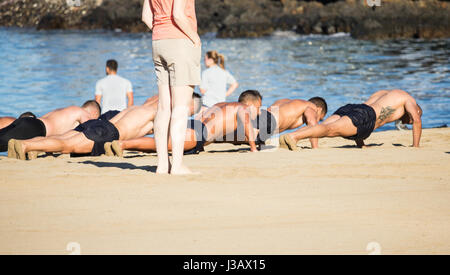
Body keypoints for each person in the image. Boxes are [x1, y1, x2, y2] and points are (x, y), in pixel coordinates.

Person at [9, 94, 202, 160]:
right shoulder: (159, 114)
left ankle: (25, 143)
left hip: (100, 123)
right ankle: (27, 146)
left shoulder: (143, 106)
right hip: (107, 133)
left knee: (66, 138)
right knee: (66, 145)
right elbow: (167, 137)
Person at [105, 90, 262, 156]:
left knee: (162, 143)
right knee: (160, 145)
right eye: (258, 108)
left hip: (193, 124)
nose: (259, 112)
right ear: (250, 104)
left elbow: (220, 131)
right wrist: (253, 148)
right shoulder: (243, 108)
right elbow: (246, 123)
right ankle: (123, 145)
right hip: (198, 133)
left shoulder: (224, 105)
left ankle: (125, 143)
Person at [142, 0, 202, 175]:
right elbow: (178, 14)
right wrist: (195, 37)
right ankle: (177, 166)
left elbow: (146, 17)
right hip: (180, 42)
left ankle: (162, 165)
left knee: (163, 107)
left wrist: (162, 30)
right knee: (180, 107)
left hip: (158, 41)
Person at [280, 89, 422, 150]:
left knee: (323, 125)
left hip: (353, 108)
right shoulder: (408, 99)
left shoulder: (387, 94)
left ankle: (288, 138)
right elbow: (417, 120)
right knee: (329, 130)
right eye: (408, 120)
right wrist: (415, 147)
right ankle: (293, 137)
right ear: (416, 109)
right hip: (364, 115)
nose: (407, 122)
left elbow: (364, 112)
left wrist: (360, 144)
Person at [0, 101, 100, 152]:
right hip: (38, 128)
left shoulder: (67, 109)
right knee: (3, 143)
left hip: (28, 121)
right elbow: (90, 130)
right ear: (94, 112)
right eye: (96, 118)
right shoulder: (83, 113)